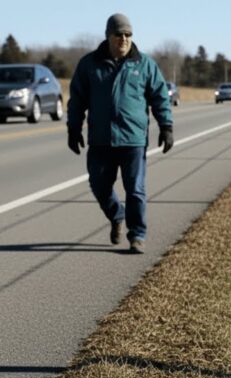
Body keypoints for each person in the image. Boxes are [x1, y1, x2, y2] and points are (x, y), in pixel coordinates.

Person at [67, 13, 173, 254]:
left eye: (128, 35)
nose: (124, 39)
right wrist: (73, 128)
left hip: (133, 138)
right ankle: (117, 215)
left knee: (135, 189)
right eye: (119, 35)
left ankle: (137, 235)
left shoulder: (144, 64)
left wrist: (166, 127)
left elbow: (160, 97)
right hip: (101, 139)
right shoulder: (89, 64)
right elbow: (77, 100)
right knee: (98, 185)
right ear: (109, 36)